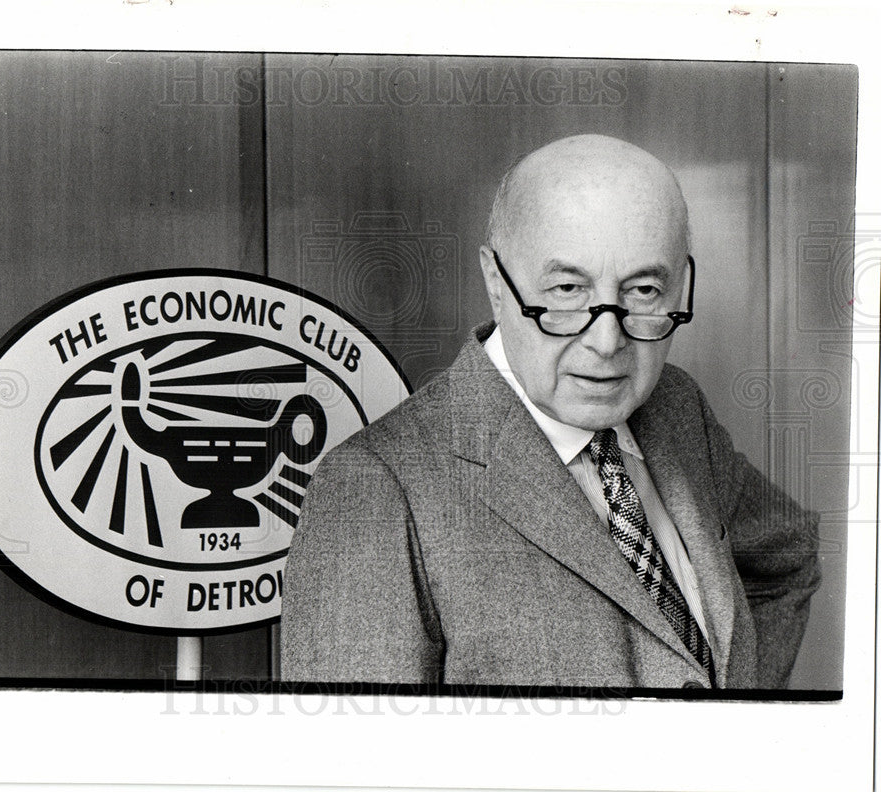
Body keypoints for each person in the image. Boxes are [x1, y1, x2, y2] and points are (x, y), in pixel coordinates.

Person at [279, 134, 821, 689]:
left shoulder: (675, 407)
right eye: (567, 289)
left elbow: (787, 555)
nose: (608, 342)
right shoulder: (375, 487)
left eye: (643, 290)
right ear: (497, 283)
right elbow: (355, 763)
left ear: (680, 284)